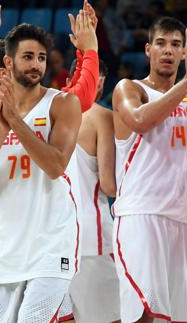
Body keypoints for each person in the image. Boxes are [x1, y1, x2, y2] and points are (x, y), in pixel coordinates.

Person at [0, 23, 83, 323]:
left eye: (41, 57)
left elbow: (56, 166)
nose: (36, 64)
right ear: (8, 62)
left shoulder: (62, 103)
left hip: (50, 249)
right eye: (28, 57)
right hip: (2, 252)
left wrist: (16, 122)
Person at [111, 17, 187, 322]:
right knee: (144, 315)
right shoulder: (130, 89)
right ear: (148, 49)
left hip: (183, 221)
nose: (168, 50)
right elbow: (140, 120)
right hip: (141, 217)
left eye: (177, 45)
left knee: (178, 317)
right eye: (161, 43)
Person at [66, 59, 120, 323]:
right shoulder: (101, 116)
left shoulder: (47, 112)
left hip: (53, 240)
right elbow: (109, 185)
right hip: (92, 238)